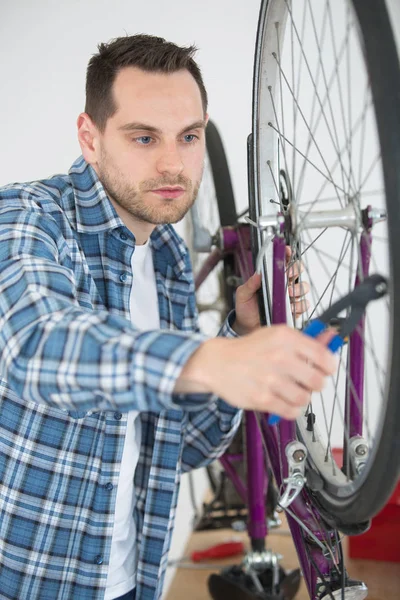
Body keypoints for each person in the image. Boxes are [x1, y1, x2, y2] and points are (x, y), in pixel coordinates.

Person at [0, 34, 335, 600]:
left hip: (136, 582)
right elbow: (36, 346)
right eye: (143, 137)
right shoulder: (26, 216)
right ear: (90, 136)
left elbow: (184, 445)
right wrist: (210, 357)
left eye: (189, 136)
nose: (172, 163)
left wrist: (241, 333)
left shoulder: (168, 257)